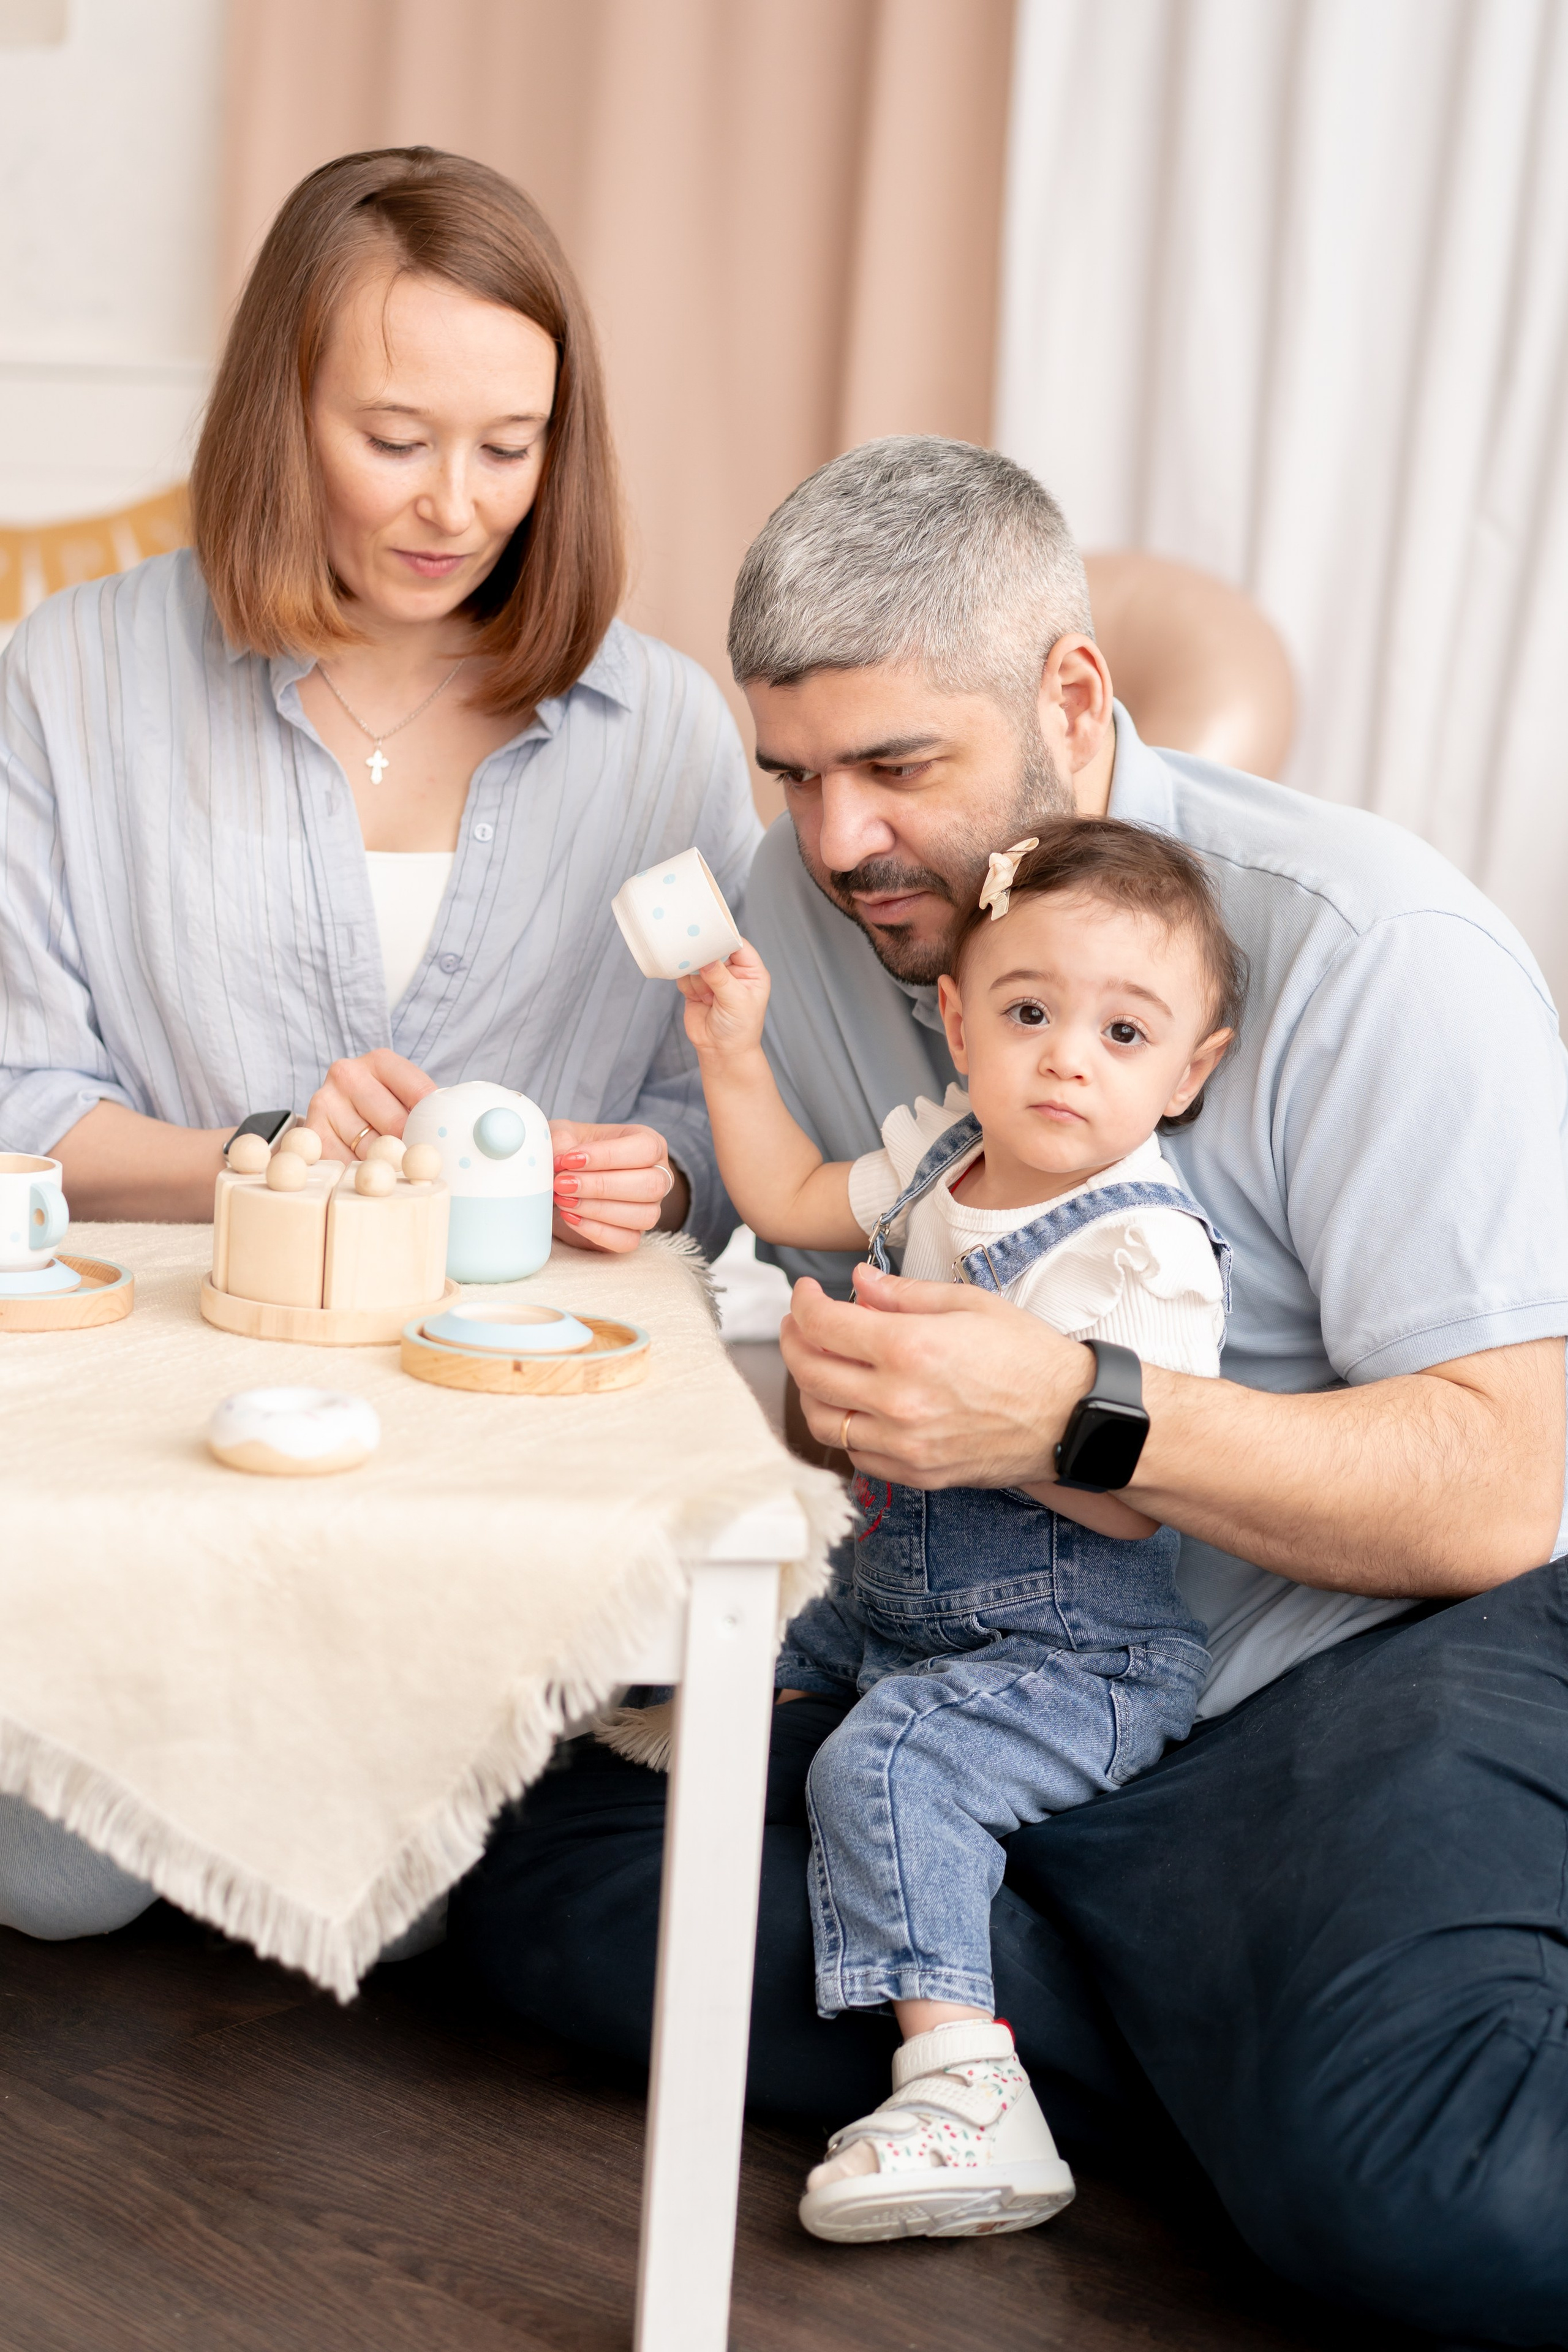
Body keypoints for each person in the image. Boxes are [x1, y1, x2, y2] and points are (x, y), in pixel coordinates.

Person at [451, 439, 1568, 2343]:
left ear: (1070, 696)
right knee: (525, 1873)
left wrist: (1075, 1415)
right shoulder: (805, 917)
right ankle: (1177, 2028)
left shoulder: (1375, 950)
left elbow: (1493, 1495)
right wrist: (620, 1182)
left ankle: (1126, 2028)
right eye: (790, 771)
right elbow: (733, 1193)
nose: (833, 839)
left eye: (898, 769)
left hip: (1352, 1660)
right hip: (965, 1661)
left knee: (1434, 2201)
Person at [0, 148, 758, 1939]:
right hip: (164, 1424)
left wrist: (669, 1166)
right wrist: (266, 1156)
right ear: (283, 411)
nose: (459, 505)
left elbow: (721, 1131)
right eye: (396, 437)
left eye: (514, 445)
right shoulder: (75, 676)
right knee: (57, 1887)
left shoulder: (663, 732)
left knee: (422, 1904)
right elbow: (17, 1104)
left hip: (481, 1462)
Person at [676, 816, 1240, 2241]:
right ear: (958, 1020)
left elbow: (1129, 1491)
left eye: (1123, 1033)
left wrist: (977, 1411)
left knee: (892, 1762)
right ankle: (685, 1736)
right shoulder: (942, 1154)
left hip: (1069, 1649)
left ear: (1189, 1073)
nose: (1066, 1056)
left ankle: (969, 2091)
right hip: (888, 1601)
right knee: (724, 1638)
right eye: (1031, 1012)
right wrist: (731, 1050)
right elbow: (788, 1199)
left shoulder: (1140, 1249)